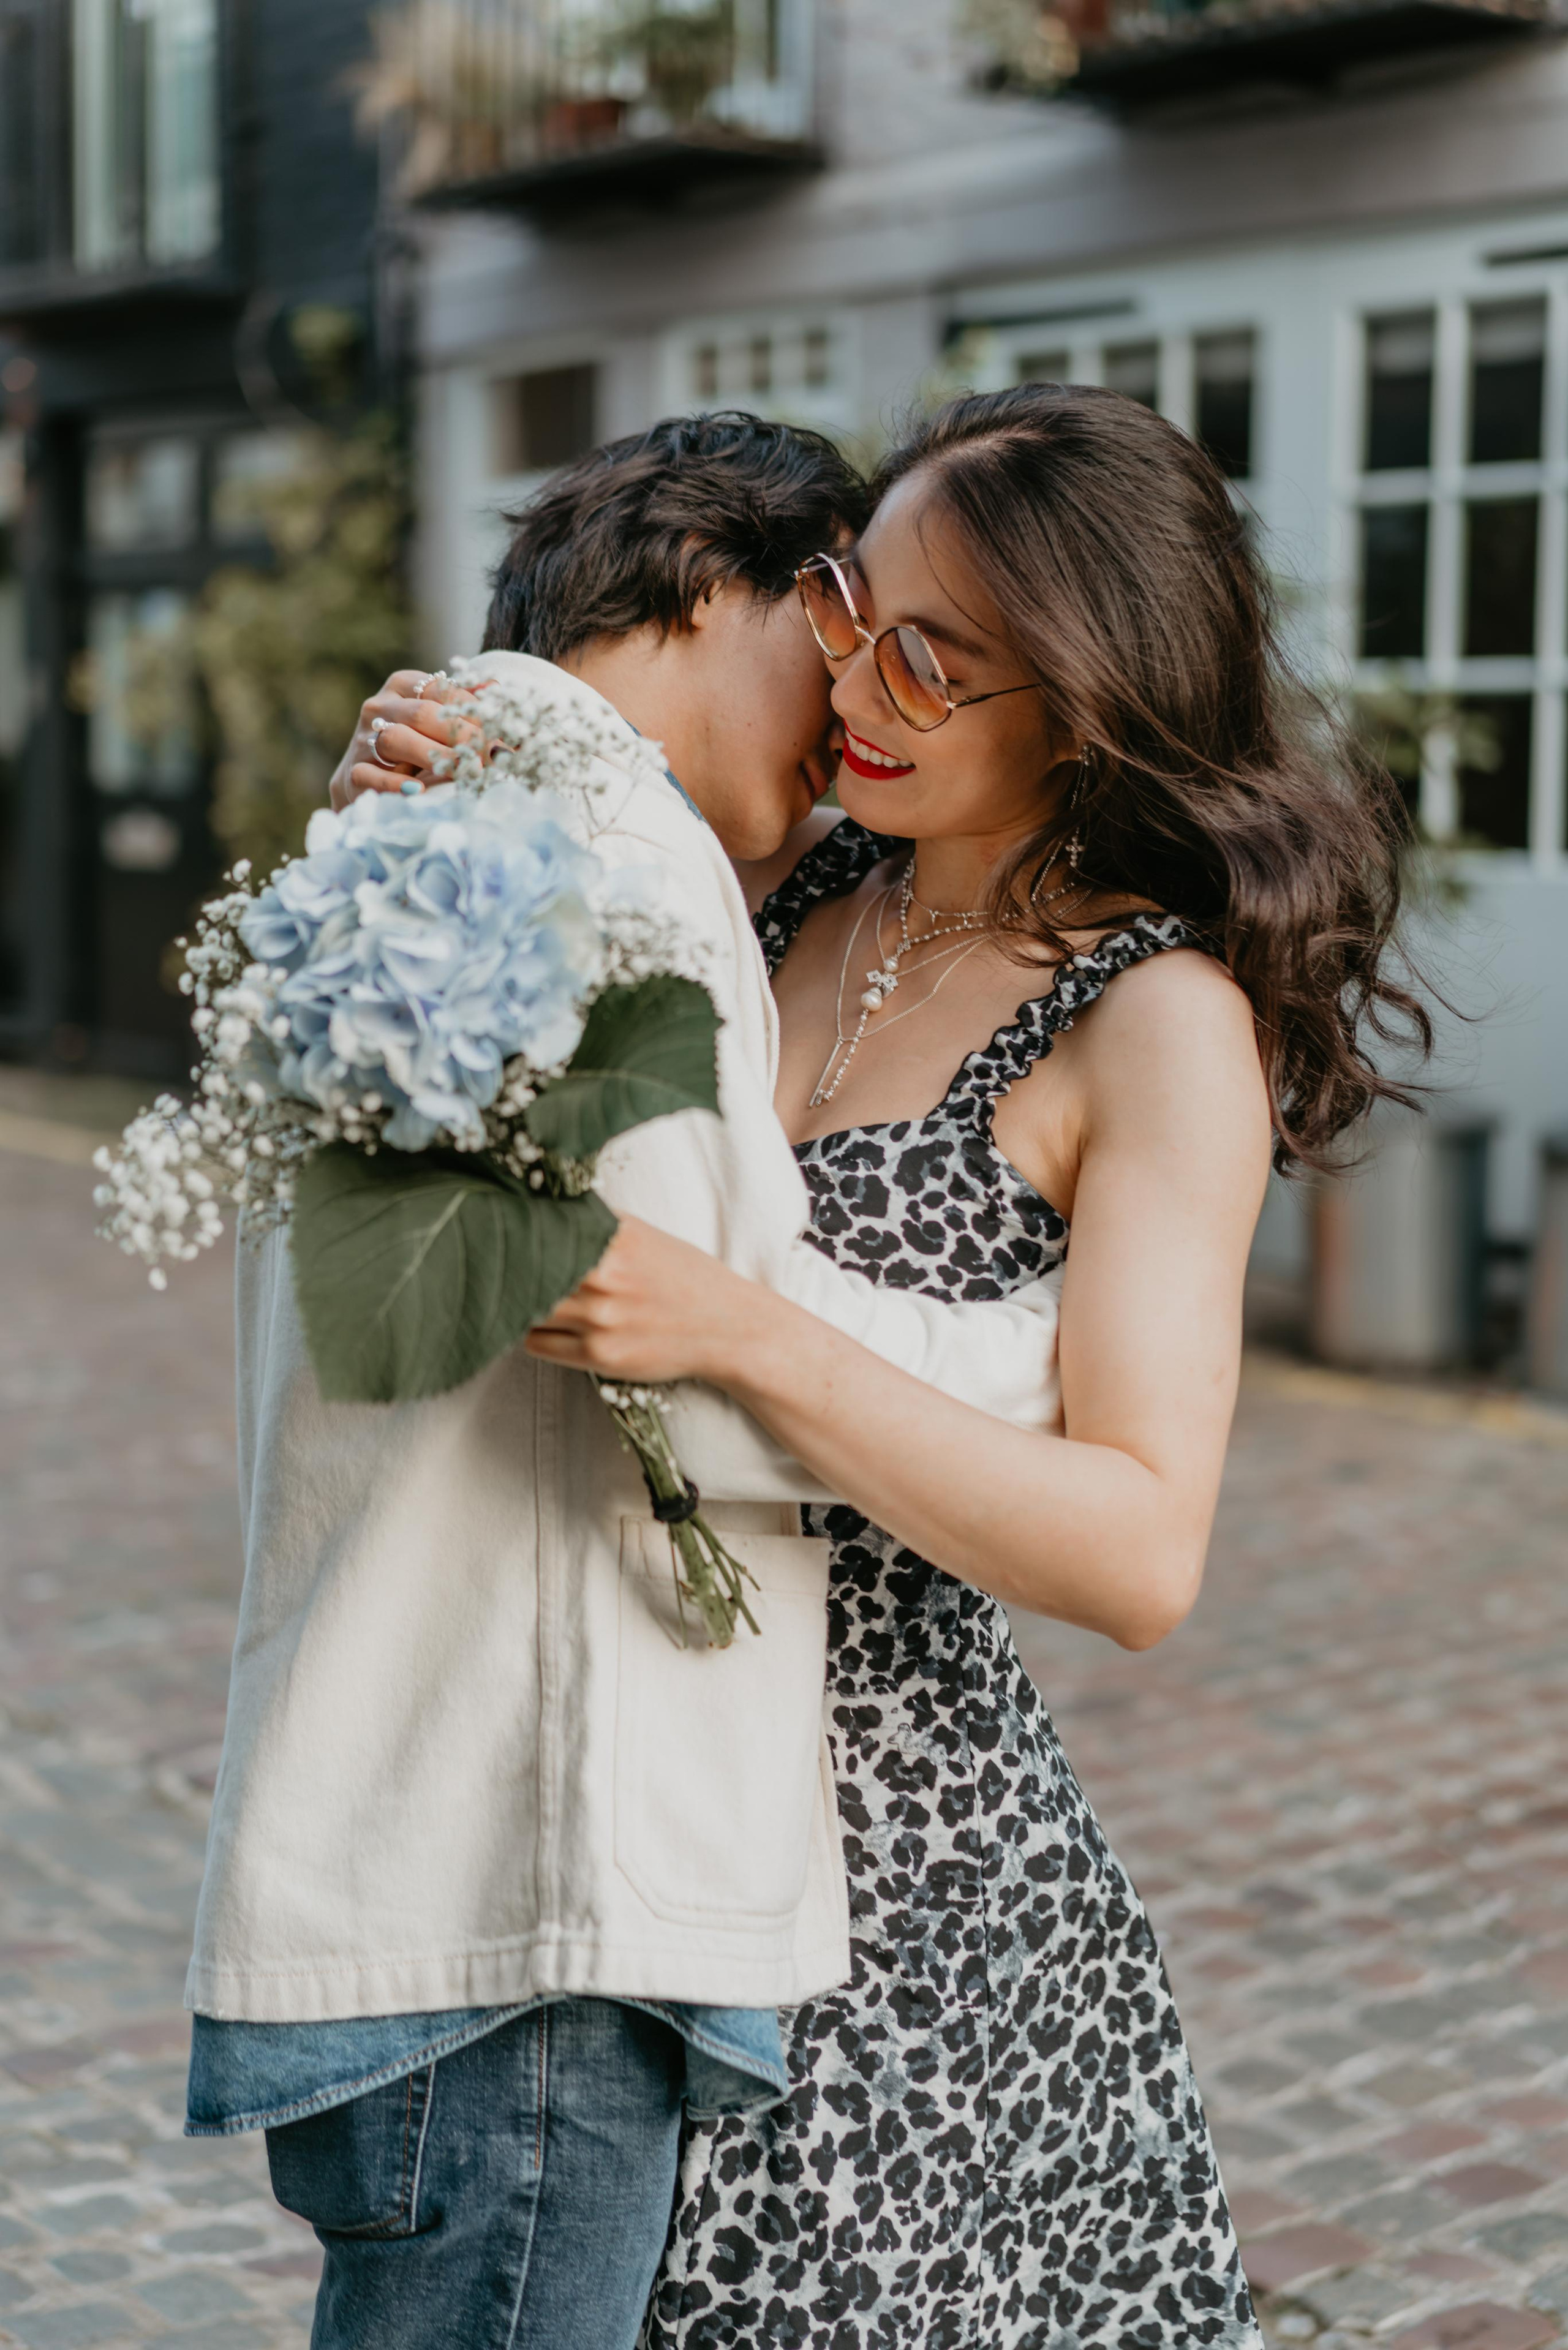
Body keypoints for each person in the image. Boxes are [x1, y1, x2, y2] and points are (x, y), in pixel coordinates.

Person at [524, 384, 1430, 2347]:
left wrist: (744, 1336)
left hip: (894, 1883)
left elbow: (1138, 1552)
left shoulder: (1156, 1021)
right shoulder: (777, 892)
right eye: (858, 604)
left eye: (940, 660)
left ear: (1090, 704)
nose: (863, 677)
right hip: (607, 1792)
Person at [183, 413, 1073, 2350]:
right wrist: (1032, 1358)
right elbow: (696, 1366)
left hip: (417, 1866)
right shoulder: (612, 870)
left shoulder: (427, 843)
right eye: (836, 618)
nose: (857, 705)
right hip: (528, 1911)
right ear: (701, 576)